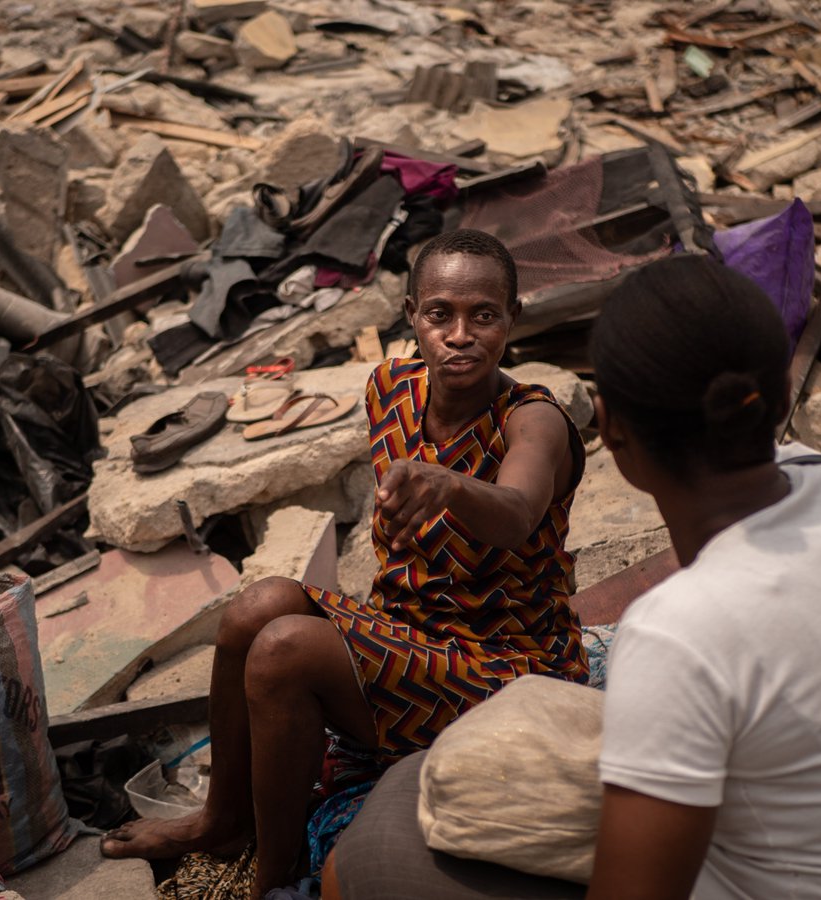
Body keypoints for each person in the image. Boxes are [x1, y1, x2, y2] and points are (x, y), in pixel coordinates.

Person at [323, 253, 821, 900]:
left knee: (362, 859)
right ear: (780, 399)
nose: (460, 334)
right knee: (419, 779)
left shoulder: (675, 634)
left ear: (610, 431)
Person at [101, 228, 589, 898]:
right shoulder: (388, 388)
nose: (460, 334)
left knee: (284, 652)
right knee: (254, 607)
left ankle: (276, 876)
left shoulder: (534, 419)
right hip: (413, 635)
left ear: (513, 319)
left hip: (507, 665)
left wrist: (450, 486)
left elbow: (516, 511)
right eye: (440, 314)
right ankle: (222, 819)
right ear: (412, 315)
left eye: (484, 315)